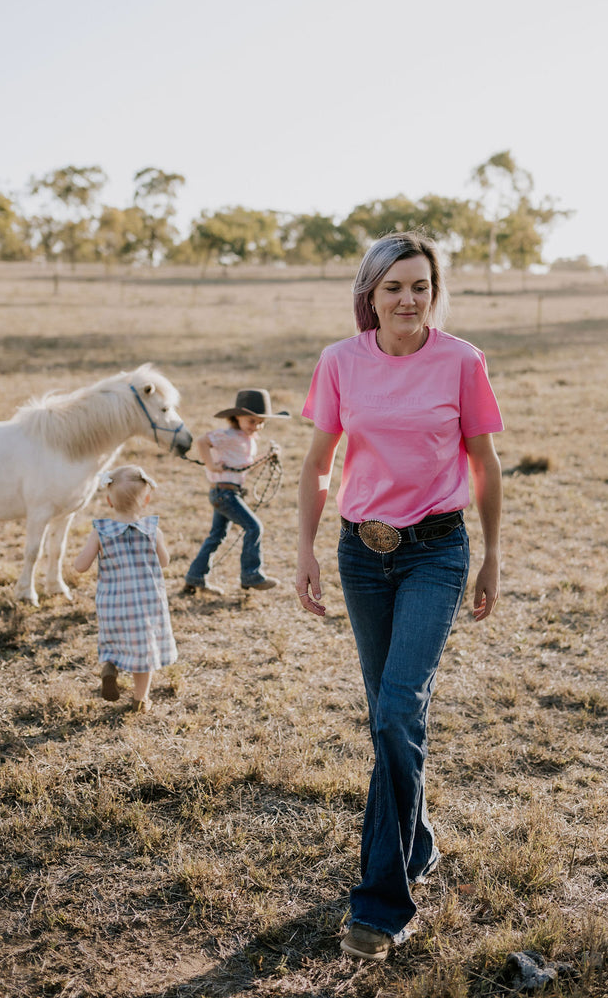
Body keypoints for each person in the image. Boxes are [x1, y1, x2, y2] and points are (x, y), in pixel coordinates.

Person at [296, 231, 504, 961]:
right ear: (369, 295)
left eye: (420, 285)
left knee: (396, 708)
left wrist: (491, 557)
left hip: (437, 552)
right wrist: (304, 548)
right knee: (387, 717)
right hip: (362, 554)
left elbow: (482, 460)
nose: (408, 299)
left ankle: (381, 904)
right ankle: (414, 842)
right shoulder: (338, 362)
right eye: (393, 287)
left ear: (432, 290)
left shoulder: (460, 359)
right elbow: (319, 462)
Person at [73, 464, 177, 712]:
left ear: (109, 501)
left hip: (113, 604)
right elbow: (165, 562)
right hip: (147, 605)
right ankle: (140, 700)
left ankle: (110, 665)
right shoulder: (153, 530)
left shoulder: (100, 532)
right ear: (147, 499)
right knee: (144, 655)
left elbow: (80, 566)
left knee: (114, 640)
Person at [184, 389, 289, 594]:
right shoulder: (229, 435)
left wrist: (267, 457)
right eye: (251, 421)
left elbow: (245, 467)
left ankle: (195, 577)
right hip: (224, 493)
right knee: (254, 527)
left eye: (260, 422)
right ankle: (251, 575)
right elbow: (202, 441)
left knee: (216, 536)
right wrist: (211, 464)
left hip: (229, 493)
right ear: (237, 417)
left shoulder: (248, 439)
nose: (256, 426)